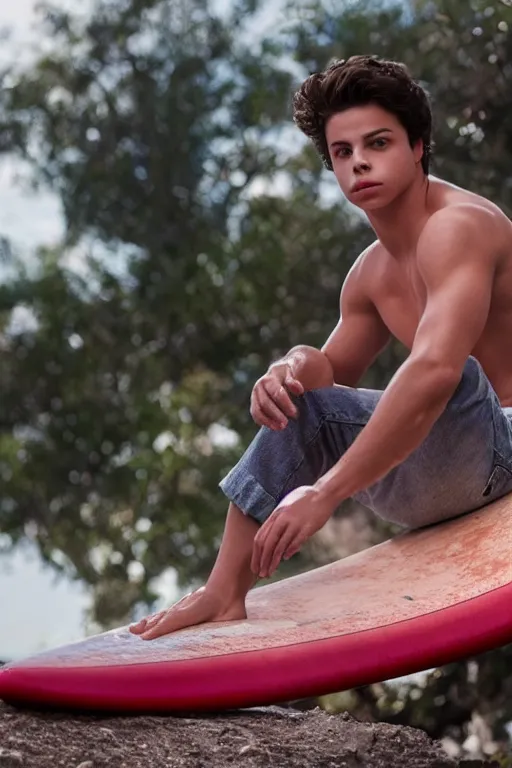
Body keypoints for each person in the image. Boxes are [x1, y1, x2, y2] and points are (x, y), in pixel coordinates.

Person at [130, 55, 512, 641]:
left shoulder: (459, 226)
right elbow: (329, 376)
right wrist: (287, 369)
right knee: (301, 401)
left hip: (499, 451)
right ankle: (223, 591)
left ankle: (249, 566)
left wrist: (325, 491)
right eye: (342, 152)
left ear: (418, 146)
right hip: (432, 475)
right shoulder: (370, 275)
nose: (359, 161)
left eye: (378, 142)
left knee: (450, 369)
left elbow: (436, 371)